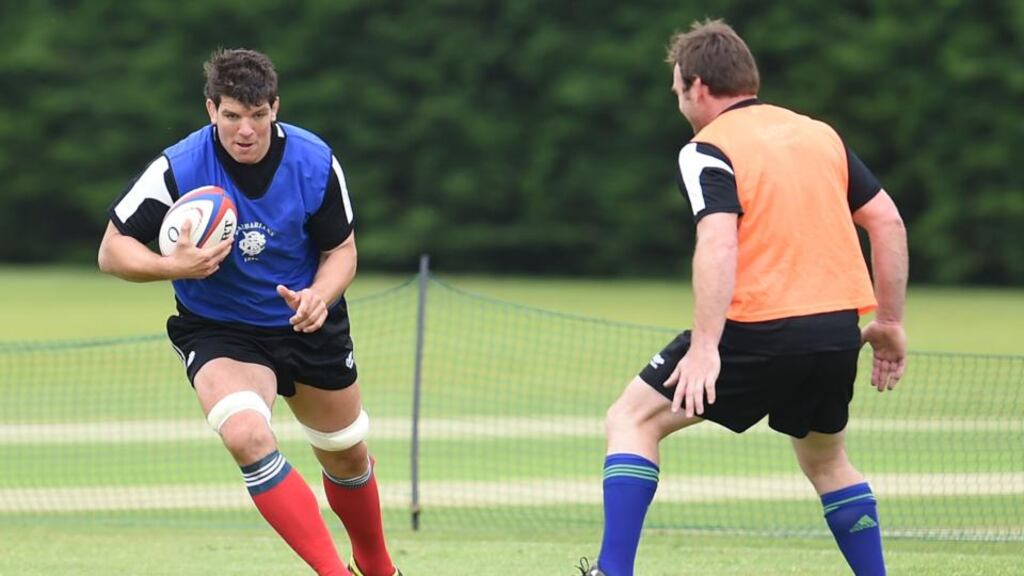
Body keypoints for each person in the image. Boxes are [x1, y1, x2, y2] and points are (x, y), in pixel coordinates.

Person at [579, 19, 908, 576]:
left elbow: (717, 238)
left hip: (754, 327)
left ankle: (614, 572)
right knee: (827, 459)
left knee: (632, 419)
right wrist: (890, 323)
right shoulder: (818, 134)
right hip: (834, 331)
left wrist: (706, 347)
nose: (678, 100)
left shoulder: (707, 147)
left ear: (698, 86)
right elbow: (888, 222)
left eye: (678, 89)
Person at [98, 48, 401, 576]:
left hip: (304, 322)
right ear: (211, 109)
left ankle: (378, 568)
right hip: (221, 330)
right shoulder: (180, 166)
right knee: (246, 436)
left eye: (258, 115)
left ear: (275, 108)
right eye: (233, 115)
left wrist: (319, 297)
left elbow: (342, 252)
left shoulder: (314, 161)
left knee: (346, 453)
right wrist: (176, 267)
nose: (246, 130)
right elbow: (112, 250)